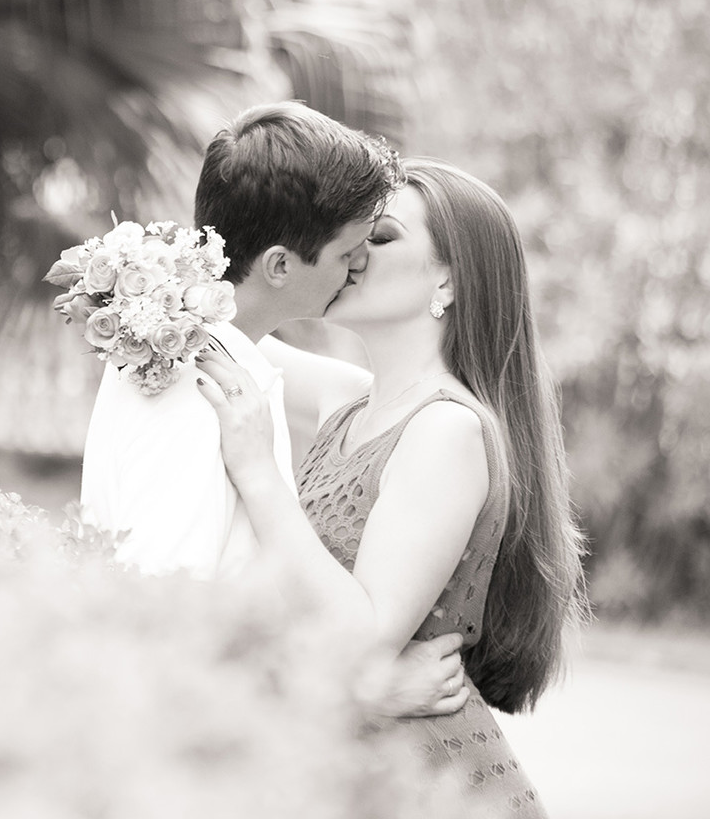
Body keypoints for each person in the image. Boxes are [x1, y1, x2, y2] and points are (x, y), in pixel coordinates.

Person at [195, 158, 589, 817]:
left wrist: (261, 475)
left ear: (448, 281)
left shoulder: (445, 431)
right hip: (345, 757)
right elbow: (219, 333)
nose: (351, 255)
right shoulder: (352, 400)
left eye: (380, 240)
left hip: (423, 783)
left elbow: (368, 631)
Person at [79, 101, 467, 719]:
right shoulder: (195, 389)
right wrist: (364, 692)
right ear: (281, 265)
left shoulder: (210, 360)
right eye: (346, 254)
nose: (357, 267)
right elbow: (161, 635)